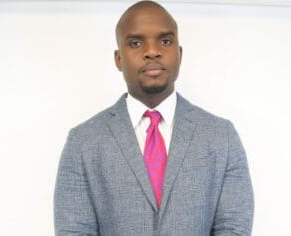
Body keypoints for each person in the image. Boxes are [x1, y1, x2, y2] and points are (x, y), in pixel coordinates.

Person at [54, 1, 254, 235]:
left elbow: (233, 228)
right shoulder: (83, 142)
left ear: (179, 54)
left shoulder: (222, 137)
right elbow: (74, 230)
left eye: (165, 41)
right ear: (118, 59)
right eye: (136, 43)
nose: (152, 51)